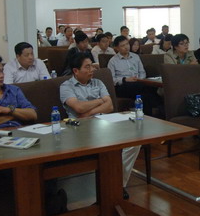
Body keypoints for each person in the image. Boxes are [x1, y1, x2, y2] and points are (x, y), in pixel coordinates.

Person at [60, 53, 140, 198]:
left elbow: (109, 106)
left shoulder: (98, 83)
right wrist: (99, 101)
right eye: (87, 67)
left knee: (135, 141)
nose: (92, 70)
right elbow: (78, 109)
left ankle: (116, 183)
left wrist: (89, 110)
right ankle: (114, 186)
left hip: (105, 123)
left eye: (92, 66)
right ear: (76, 71)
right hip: (80, 128)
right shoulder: (66, 86)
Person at [107, 35, 160, 115]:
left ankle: (148, 116)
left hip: (138, 83)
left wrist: (139, 79)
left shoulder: (135, 57)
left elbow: (142, 72)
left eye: (127, 44)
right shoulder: (113, 61)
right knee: (148, 90)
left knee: (144, 95)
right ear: (117, 48)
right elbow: (111, 79)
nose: (126, 47)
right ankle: (159, 105)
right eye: (122, 45)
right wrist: (125, 79)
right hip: (122, 86)